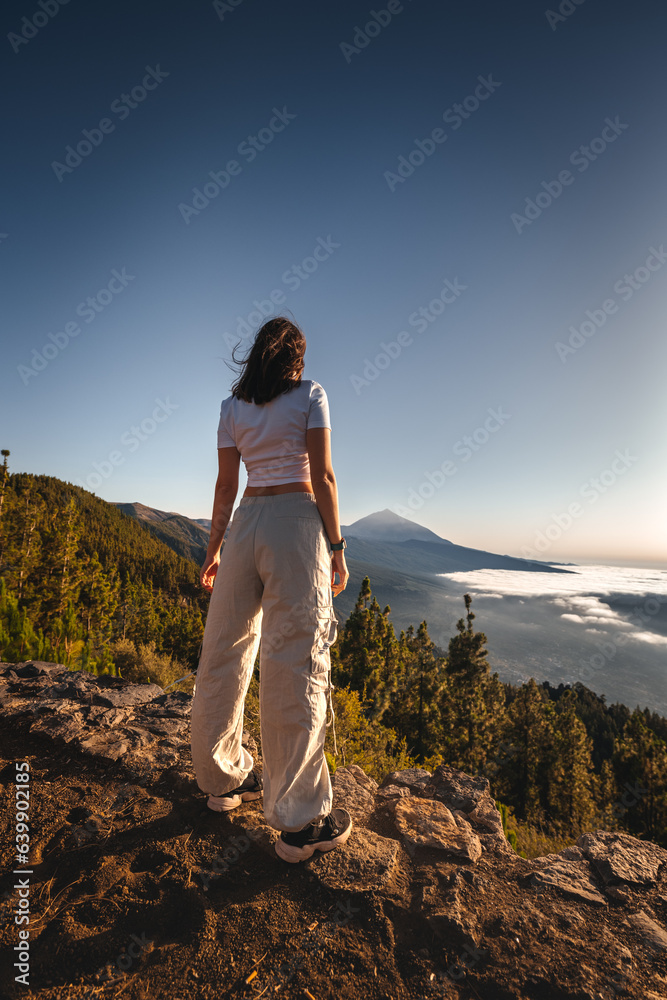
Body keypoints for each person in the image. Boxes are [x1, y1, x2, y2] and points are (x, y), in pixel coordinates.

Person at [190, 316, 352, 863]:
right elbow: (324, 477)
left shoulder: (231, 409)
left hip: (245, 526)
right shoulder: (311, 395)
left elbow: (225, 487)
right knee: (294, 662)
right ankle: (301, 824)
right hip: (296, 524)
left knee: (224, 651)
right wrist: (337, 546)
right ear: (295, 359)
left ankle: (220, 780)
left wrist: (214, 550)